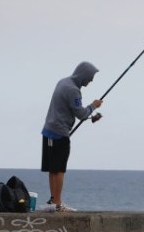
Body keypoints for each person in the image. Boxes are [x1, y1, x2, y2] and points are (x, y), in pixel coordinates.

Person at [40, 61, 103, 210]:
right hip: (59, 133)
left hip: (49, 130)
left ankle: (53, 201)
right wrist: (94, 106)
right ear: (83, 75)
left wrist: (90, 117)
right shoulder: (73, 90)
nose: (91, 80)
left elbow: (65, 110)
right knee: (60, 169)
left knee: (52, 169)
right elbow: (80, 113)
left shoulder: (63, 82)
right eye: (90, 77)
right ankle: (58, 204)